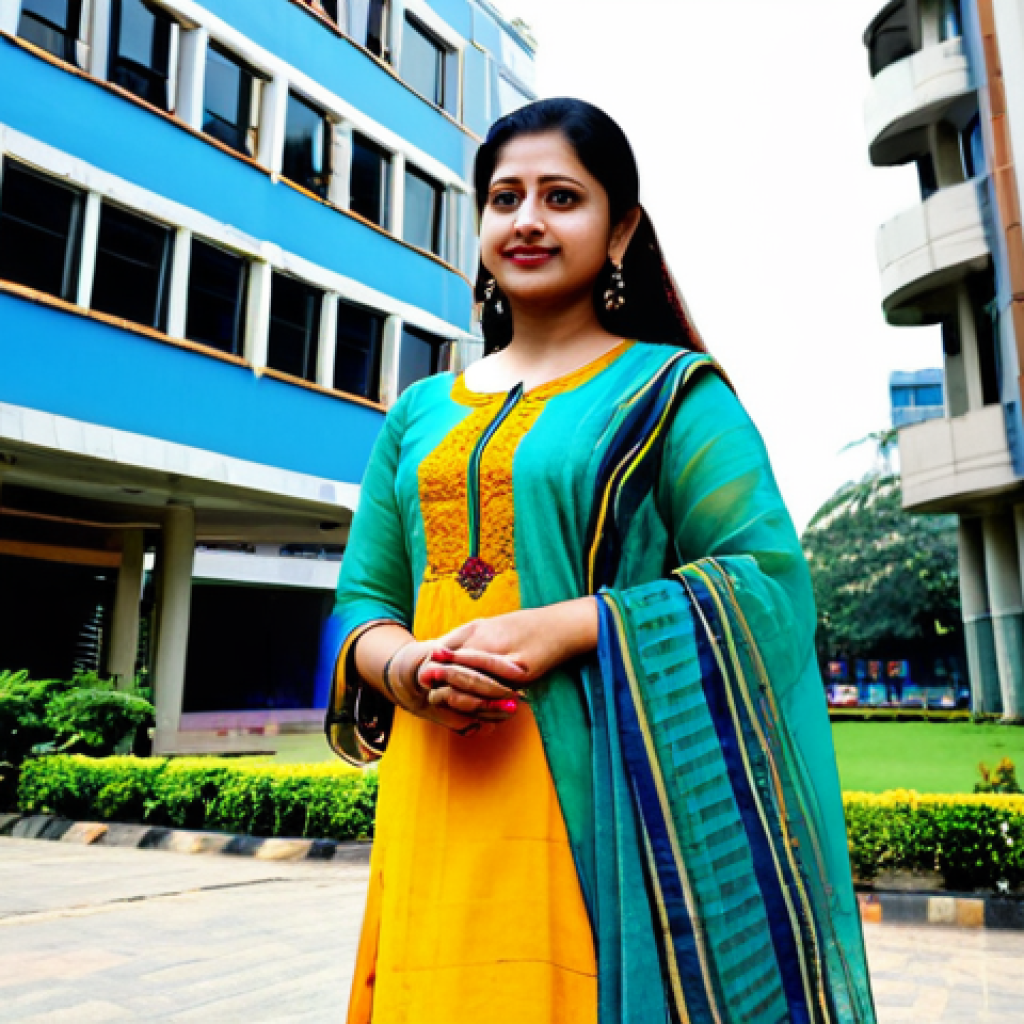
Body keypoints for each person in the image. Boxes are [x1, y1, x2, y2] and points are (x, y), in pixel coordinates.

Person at [325, 97, 876, 1024]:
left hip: (604, 812)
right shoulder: (417, 411)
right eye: (504, 198)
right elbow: (359, 602)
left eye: (561, 197)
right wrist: (408, 666)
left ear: (619, 229)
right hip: (434, 801)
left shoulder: (671, 395)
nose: (528, 220)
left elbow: (767, 582)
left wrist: (567, 626)